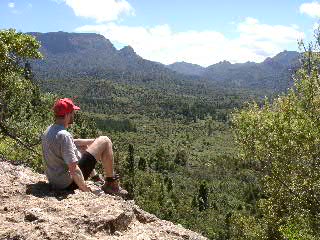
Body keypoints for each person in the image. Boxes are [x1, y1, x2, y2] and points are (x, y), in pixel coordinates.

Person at [41, 98, 127, 197]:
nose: (74, 115)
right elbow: (74, 169)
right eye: (73, 113)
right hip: (68, 184)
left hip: (54, 180)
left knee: (83, 146)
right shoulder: (64, 135)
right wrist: (86, 190)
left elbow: (74, 142)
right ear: (68, 114)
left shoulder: (49, 130)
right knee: (105, 140)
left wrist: (96, 142)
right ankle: (110, 183)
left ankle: (95, 177)